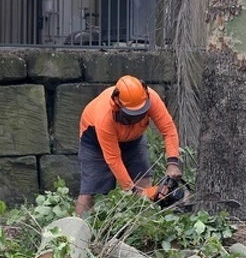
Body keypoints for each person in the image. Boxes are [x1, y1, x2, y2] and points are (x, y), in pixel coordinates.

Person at [75, 75, 182, 216]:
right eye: (132, 114)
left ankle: (145, 227)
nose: (137, 118)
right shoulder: (104, 117)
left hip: (133, 140)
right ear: (117, 104)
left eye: (141, 113)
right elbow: (113, 159)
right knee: (91, 190)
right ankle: (78, 229)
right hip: (95, 143)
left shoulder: (150, 98)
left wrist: (173, 163)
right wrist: (132, 189)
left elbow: (168, 128)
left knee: (144, 181)